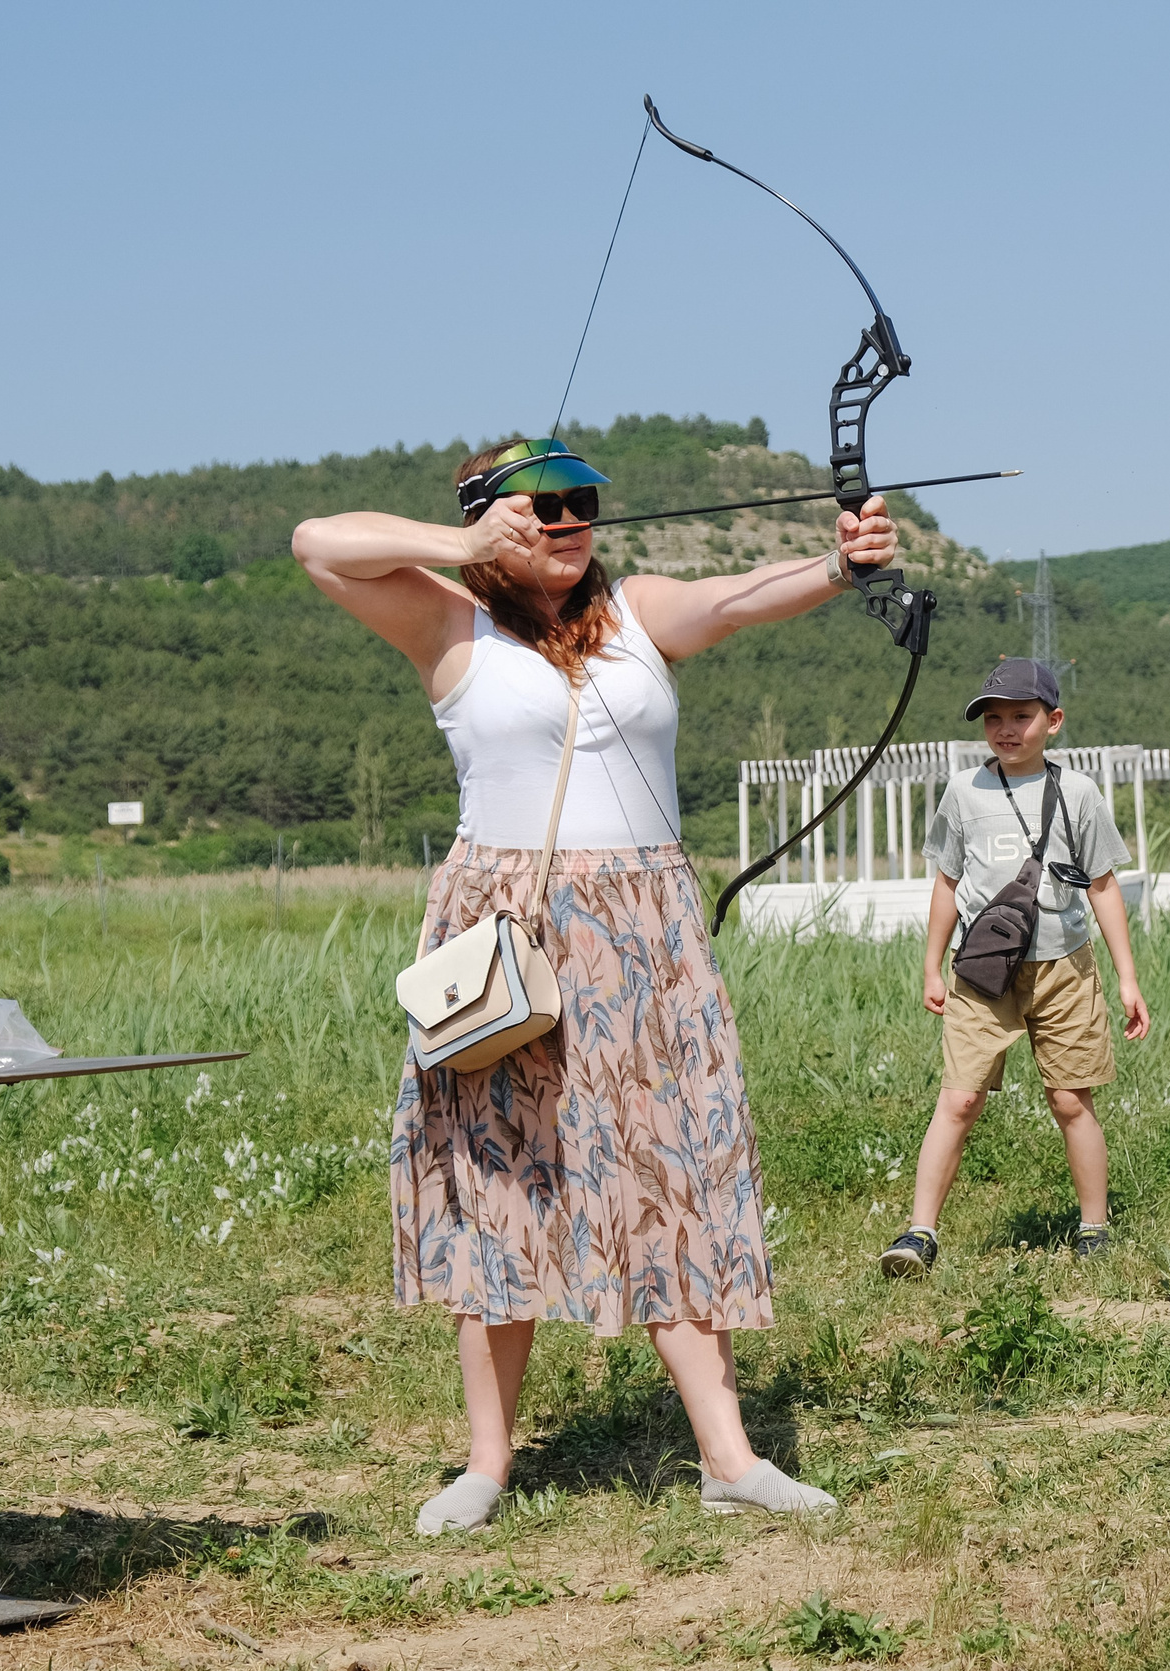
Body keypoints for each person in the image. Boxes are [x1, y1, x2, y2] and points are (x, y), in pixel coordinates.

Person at [293, 435, 899, 1530]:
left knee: (675, 1174)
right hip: (509, 933)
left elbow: (736, 598)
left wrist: (840, 565)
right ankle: (485, 1466)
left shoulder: (636, 613)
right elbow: (317, 545)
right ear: (493, 516)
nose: (571, 521)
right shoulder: (447, 619)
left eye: (582, 504)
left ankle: (727, 1459)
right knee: (498, 1181)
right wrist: (462, 544)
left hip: (644, 933)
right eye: (544, 507)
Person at [878, 659, 1150, 1280]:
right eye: (993, 718)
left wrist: (1127, 977)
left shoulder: (1078, 792)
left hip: (1065, 968)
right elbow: (947, 881)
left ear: (1053, 722)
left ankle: (1093, 1227)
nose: (1006, 728)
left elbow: (1104, 886)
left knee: (1070, 1099)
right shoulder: (963, 792)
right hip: (981, 972)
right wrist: (930, 965)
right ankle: (919, 1234)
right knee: (960, 1097)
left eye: (1021, 716)